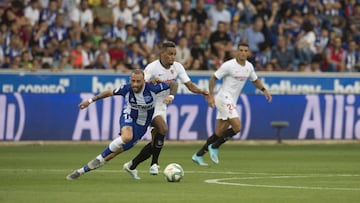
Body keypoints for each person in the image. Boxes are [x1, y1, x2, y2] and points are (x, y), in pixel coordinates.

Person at [66, 69, 178, 180]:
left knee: (112, 155)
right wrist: (90, 101)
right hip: (128, 116)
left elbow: (173, 83)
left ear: (144, 80)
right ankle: (100, 157)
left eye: (138, 81)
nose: (135, 84)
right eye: (133, 81)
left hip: (142, 126)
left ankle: (80, 171)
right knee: (127, 136)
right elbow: (109, 92)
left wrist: (171, 96)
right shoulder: (126, 88)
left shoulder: (153, 88)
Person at [123, 41, 209, 178]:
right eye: (170, 54)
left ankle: (132, 165)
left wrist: (201, 91)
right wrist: (150, 83)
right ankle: (154, 164)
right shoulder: (152, 68)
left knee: (155, 142)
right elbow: (139, 85)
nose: (173, 57)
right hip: (149, 105)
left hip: (162, 106)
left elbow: (189, 85)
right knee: (163, 129)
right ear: (162, 54)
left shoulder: (178, 67)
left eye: (174, 54)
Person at [192, 43, 272, 166]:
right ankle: (215, 146)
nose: (243, 53)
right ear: (236, 52)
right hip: (223, 98)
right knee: (237, 127)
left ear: (248, 53)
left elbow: (255, 80)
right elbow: (213, 78)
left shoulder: (249, 67)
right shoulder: (229, 65)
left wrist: (264, 90)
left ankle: (198, 155)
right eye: (241, 50)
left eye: (246, 50)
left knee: (219, 133)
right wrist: (210, 96)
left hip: (231, 100)